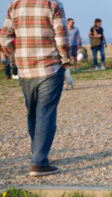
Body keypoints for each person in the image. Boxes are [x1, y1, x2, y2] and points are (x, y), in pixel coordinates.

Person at [0, 0, 70, 176]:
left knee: (32, 112)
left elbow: (4, 38)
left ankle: (37, 154)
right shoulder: (52, 4)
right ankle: (39, 162)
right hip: (50, 67)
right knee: (45, 113)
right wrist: (66, 58)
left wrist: (14, 59)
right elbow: (61, 37)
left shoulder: (15, 4)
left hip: (25, 69)